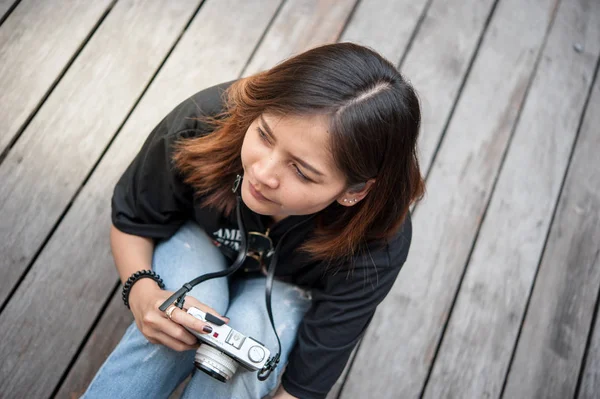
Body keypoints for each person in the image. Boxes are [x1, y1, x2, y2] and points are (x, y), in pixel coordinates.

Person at [82, 42, 424, 399]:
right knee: (176, 320)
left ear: (355, 192)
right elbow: (133, 220)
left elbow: (301, 388)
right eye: (263, 134)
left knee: (245, 354)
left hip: (287, 291)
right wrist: (142, 292)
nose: (262, 173)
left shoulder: (380, 238)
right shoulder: (206, 119)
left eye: (301, 171)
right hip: (198, 237)